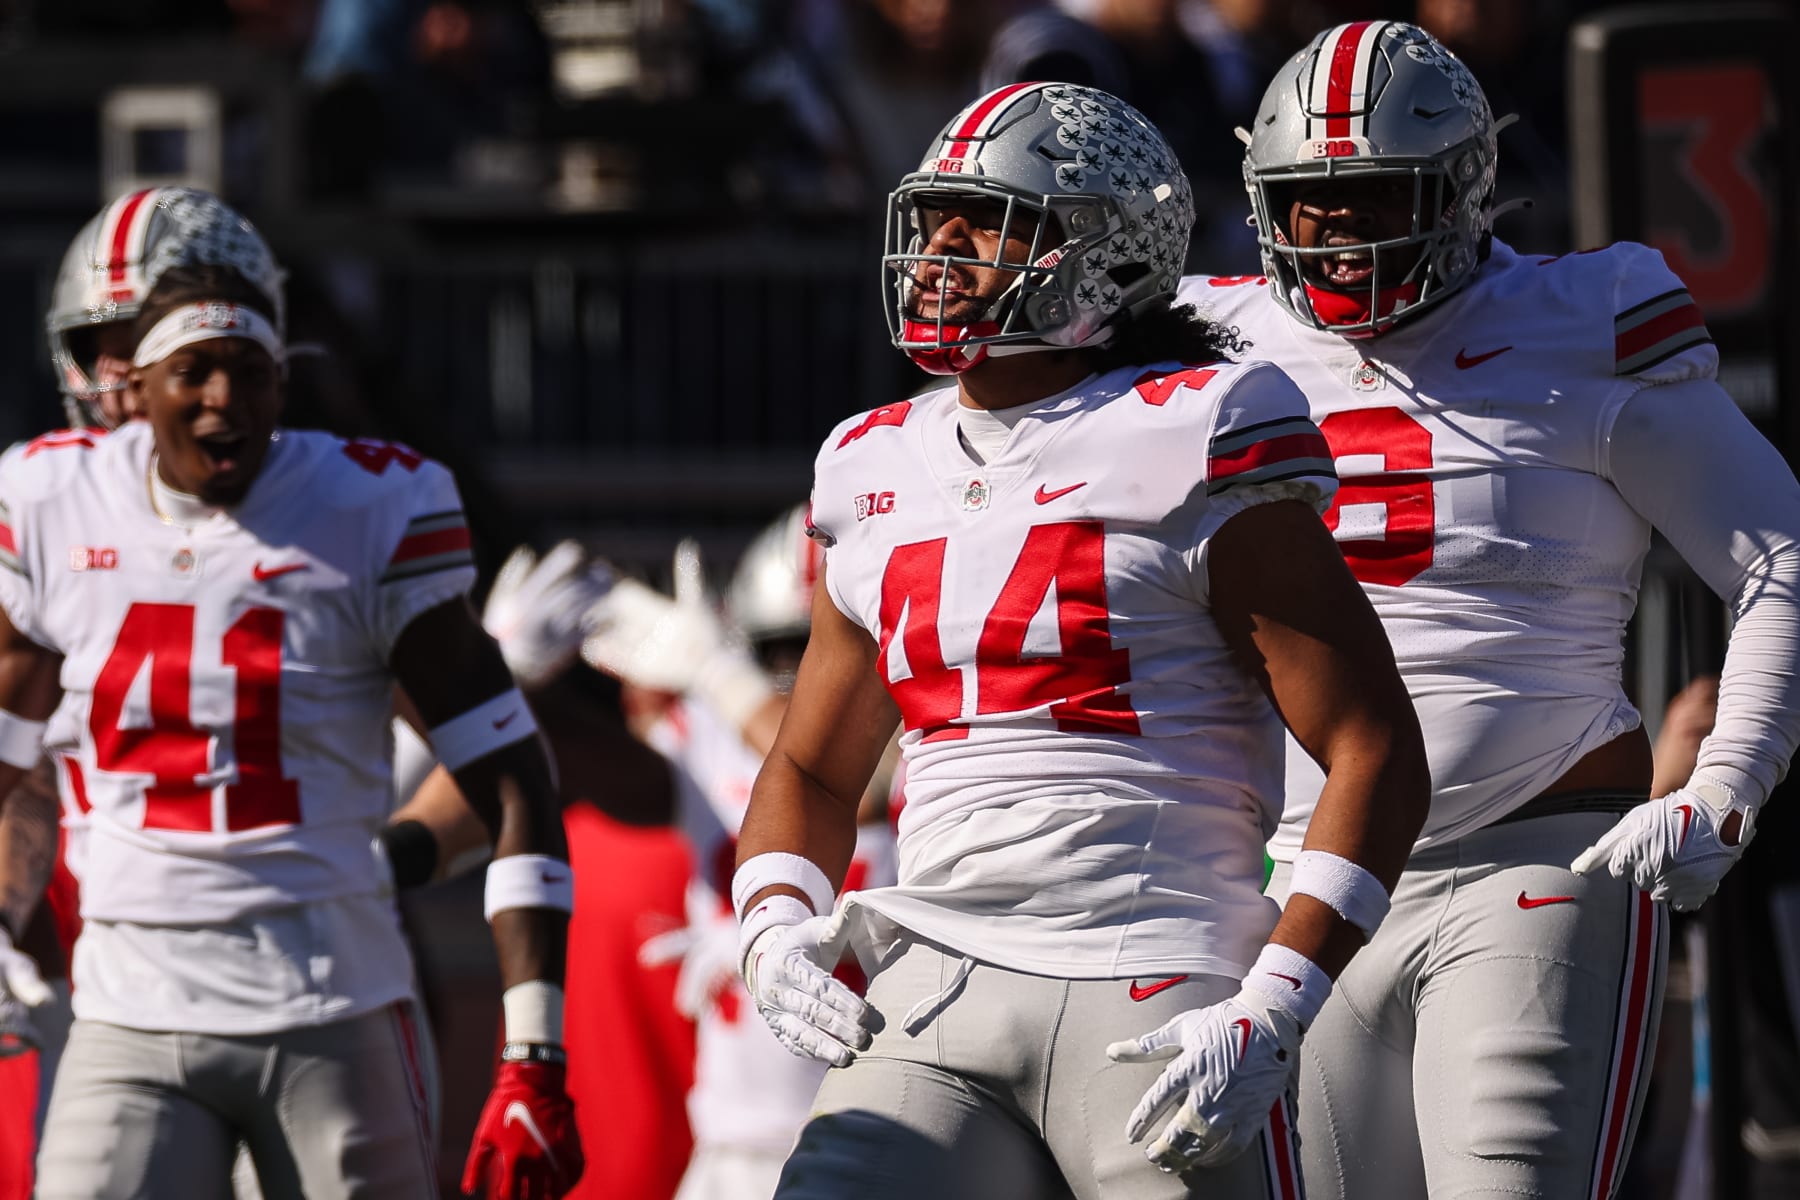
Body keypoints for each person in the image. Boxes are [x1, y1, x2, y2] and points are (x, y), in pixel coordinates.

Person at [730, 81, 1431, 1199]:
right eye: (934, 220)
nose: (940, 252)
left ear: (1101, 256)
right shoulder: (867, 460)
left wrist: (1279, 999)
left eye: (986, 223)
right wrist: (772, 921)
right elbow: (813, 766)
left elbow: (1373, 745)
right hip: (930, 990)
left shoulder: (1198, 424)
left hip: (1154, 987)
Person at [1177, 20, 1800, 1199]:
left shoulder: (1585, 320)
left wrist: (1729, 783)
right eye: (1309, 202)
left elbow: (1780, 552)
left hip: (1534, 842)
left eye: (1375, 196)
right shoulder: (1212, 339)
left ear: (1465, 187)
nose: (1341, 233)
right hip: (1299, 877)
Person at [0, 206, 584, 1198]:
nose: (116, 377)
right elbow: (18, 779)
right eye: (107, 346)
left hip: (322, 984)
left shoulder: (351, 513)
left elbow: (497, 778)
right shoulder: (48, 507)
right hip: (105, 991)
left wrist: (374, 860)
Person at [584, 522, 899, 1200]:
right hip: (729, 1144)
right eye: (785, 652)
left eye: (834, 645)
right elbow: (590, 765)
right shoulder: (708, 733)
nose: (812, 673)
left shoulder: (917, 741)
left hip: (874, 1135)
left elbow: (856, 784)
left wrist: (719, 673)